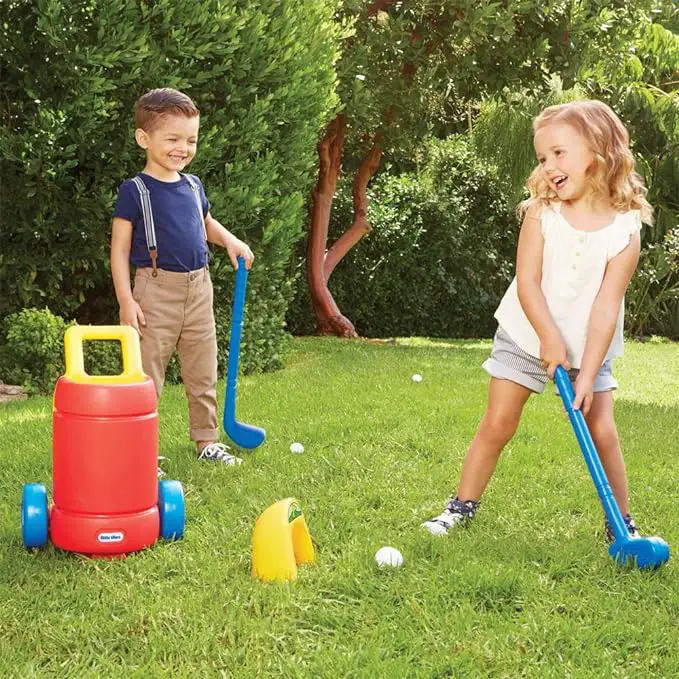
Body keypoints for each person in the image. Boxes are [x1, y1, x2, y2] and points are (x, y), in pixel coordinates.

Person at [423, 100, 653, 541]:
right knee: (498, 422)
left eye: (559, 153)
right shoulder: (541, 213)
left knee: (602, 429)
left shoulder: (625, 230)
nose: (548, 166)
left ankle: (620, 524)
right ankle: (461, 506)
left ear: (598, 150)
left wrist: (587, 370)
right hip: (526, 335)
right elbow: (527, 282)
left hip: (590, 347)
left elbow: (607, 305)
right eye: (543, 157)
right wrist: (549, 339)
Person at [111, 88, 254, 466]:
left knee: (202, 368)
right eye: (172, 139)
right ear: (144, 139)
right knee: (146, 375)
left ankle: (207, 441)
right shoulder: (135, 191)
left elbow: (205, 222)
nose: (183, 148)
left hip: (199, 287)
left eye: (191, 139)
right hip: (155, 290)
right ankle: (138, 452)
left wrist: (230, 240)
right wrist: (127, 299)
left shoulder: (193, 185)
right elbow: (119, 250)